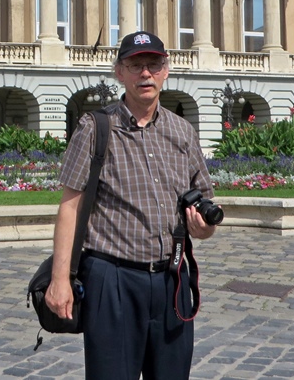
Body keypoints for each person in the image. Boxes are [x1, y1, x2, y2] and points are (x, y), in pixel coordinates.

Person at [45, 30, 216, 380]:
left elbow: (205, 200)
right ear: (119, 72)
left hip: (172, 282)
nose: (145, 74)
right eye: (135, 65)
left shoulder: (182, 132)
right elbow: (70, 207)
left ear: (166, 71)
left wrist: (205, 226)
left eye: (154, 64)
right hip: (113, 281)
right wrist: (60, 280)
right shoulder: (95, 128)